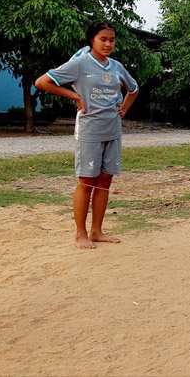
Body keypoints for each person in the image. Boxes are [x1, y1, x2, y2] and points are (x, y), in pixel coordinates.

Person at [34, 20, 139, 249]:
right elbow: (42, 82)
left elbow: (133, 88)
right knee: (86, 181)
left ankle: (97, 231)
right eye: (103, 39)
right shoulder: (80, 64)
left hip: (113, 130)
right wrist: (76, 98)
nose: (108, 44)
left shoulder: (116, 66)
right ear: (91, 40)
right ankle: (80, 234)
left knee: (104, 181)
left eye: (111, 39)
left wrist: (124, 109)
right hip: (89, 130)